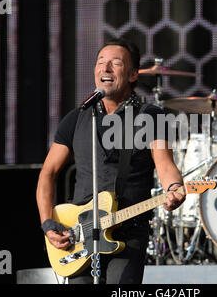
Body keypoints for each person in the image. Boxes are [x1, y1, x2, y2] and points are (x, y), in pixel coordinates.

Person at [36, 37, 185, 284]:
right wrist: (48, 224)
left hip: (128, 231)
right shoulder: (77, 118)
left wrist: (174, 188)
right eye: (100, 62)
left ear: (133, 74)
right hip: (78, 233)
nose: (105, 68)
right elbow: (48, 173)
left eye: (114, 63)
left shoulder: (150, 116)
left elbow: (165, 164)